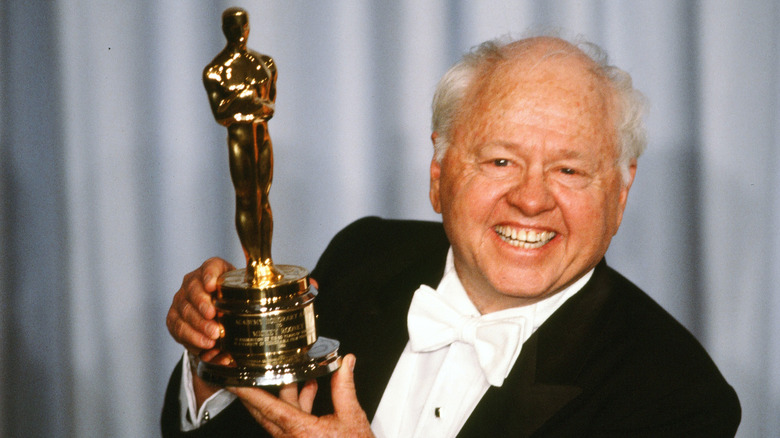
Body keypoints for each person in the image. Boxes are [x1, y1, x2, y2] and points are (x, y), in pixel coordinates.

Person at [163, 35, 741, 437]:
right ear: (438, 177)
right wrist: (212, 361)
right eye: (498, 161)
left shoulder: (676, 396)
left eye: (569, 170)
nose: (532, 199)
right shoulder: (361, 255)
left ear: (621, 190)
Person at [203, 7, 280, 284]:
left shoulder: (265, 64)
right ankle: (253, 262)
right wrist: (248, 101)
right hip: (239, 139)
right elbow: (220, 112)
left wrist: (250, 102)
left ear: (247, 28)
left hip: (262, 136)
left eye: (241, 26)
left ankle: (265, 262)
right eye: (232, 27)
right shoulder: (215, 72)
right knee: (247, 199)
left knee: (265, 199)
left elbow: (269, 106)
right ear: (225, 30)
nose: (238, 32)